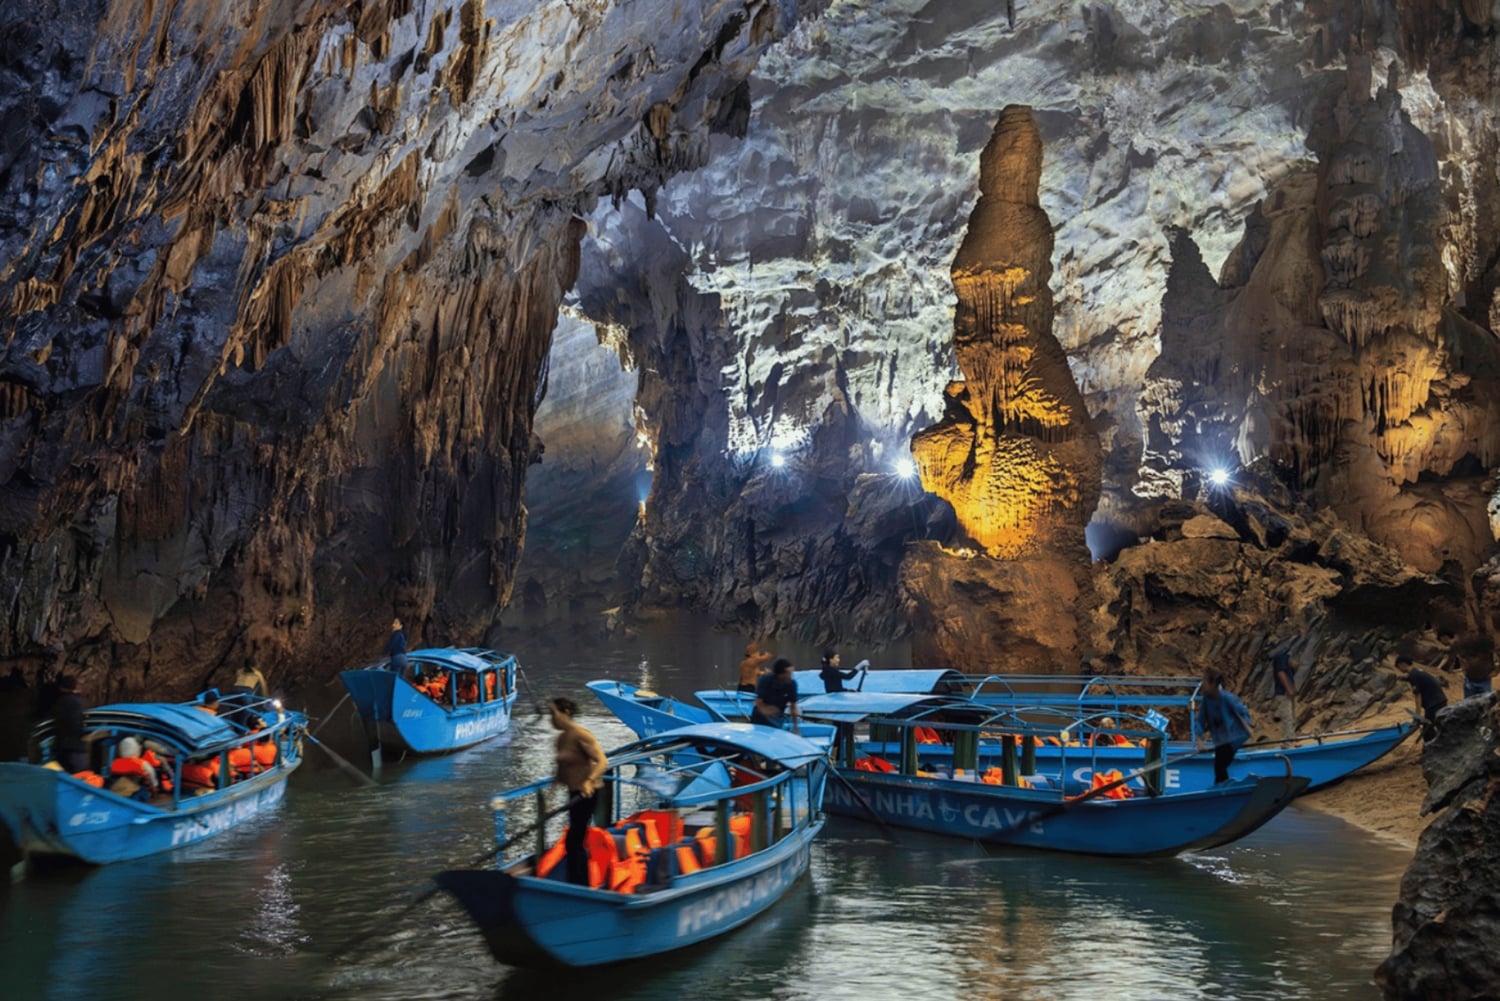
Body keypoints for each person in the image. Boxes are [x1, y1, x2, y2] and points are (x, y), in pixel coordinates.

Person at [550, 697, 608, 886]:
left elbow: (602, 761)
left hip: (587, 793)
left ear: (566, 713)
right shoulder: (561, 739)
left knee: (575, 840)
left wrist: (589, 780)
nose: (551, 719)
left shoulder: (581, 734)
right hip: (573, 793)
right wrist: (550, 795)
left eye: (553, 714)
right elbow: (560, 770)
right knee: (573, 840)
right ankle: (574, 881)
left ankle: (582, 884)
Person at [1194, 668, 1253, 784]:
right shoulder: (1206, 700)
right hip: (1220, 741)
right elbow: (1200, 720)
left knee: (1220, 767)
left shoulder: (1227, 698)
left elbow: (1243, 712)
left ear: (1213, 684)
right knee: (1220, 768)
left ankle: (1223, 789)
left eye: (1205, 682)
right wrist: (1199, 740)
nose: (1202, 685)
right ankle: (1223, 787)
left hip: (1233, 739)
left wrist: (1247, 725)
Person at [1400, 656, 1448, 743]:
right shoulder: (1418, 672)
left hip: (1434, 704)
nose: (1399, 670)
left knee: (1427, 729)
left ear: (1403, 664)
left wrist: (1417, 715)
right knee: (1439, 724)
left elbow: (1418, 695)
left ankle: (1431, 748)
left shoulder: (1413, 676)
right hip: (1440, 700)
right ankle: (1442, 744)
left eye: (1398, 667)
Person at [51, 674, 89, 774]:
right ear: (74, 687)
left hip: (59, 746)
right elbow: (77, 724)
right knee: (82, 776)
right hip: (75, 747)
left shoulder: (57, 702)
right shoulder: (77, 702)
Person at [751, 658, 801, 732]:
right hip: (760, 717)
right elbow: (758, 702)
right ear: (781, 674)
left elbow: (793, 707)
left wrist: (795, 726)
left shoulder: (792, 684)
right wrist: (767, 710)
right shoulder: (765, 680)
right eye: (788, 673)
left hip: (778, 718)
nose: (791, 676)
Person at [1272, 644, 1298, 742]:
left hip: (1286, 692)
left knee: (1291, 718)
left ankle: (1292, 739)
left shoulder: (1285, 656)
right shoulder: (1281, 656)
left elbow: (1288, 672)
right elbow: (1281, 673)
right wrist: (1289, 689)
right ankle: (1287, 742)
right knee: (1287, 718)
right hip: (1283, 693)